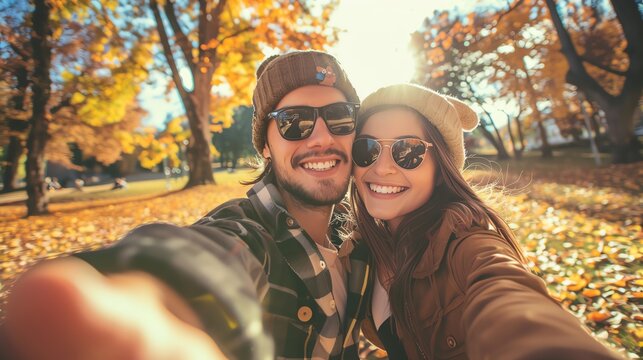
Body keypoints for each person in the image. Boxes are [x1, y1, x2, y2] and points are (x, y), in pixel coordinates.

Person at [4, 50, 371, 360]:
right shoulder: (248, 233)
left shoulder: (361, 240)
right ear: (265, 146)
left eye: (340, 117)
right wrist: (155, 301)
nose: (323, 136)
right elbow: (211, 255)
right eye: (294, 122)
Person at [350, 83, 622, 359]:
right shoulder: (359, 251)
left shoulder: (469, 246)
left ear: (441, 169)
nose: (382, 167)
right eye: (367, 148)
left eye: (408, 151)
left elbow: (509, 301)